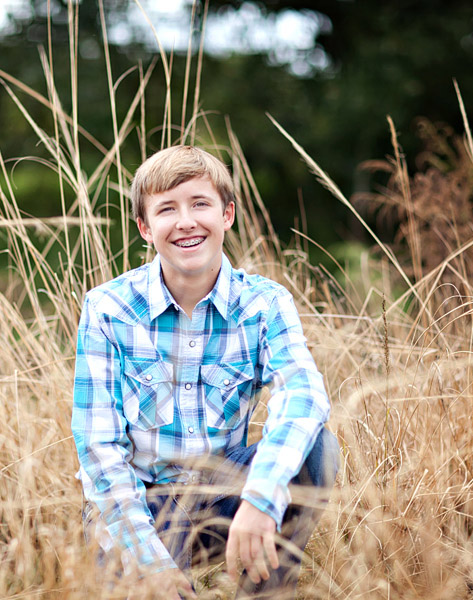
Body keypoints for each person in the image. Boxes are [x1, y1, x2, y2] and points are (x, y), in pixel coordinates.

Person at [71, 146, 338, 599]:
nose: (186, 221)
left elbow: (304, 394)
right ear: (145, 228)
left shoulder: (264, 303)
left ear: (227, 214)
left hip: (225, 494)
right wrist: (153, 565)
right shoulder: (108, 308)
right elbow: (99, 450)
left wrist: (260, 497)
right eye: (166, 209)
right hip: (141, 508)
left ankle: (265, 591)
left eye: (200, 204)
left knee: (319, 448)